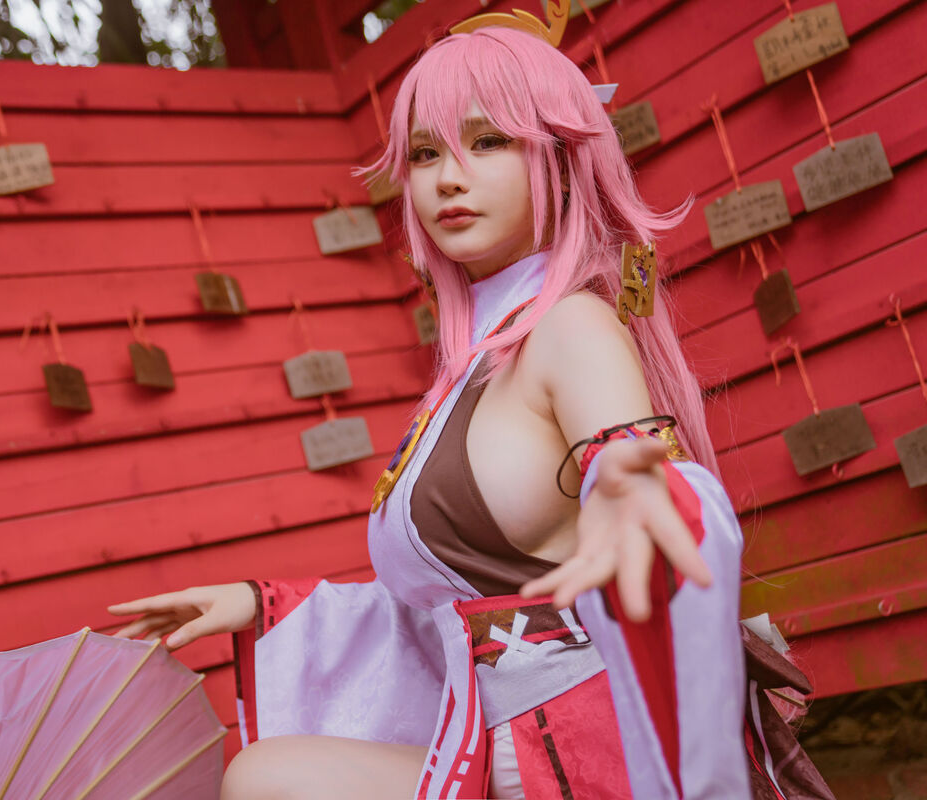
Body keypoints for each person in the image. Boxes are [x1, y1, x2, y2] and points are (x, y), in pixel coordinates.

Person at [108, 5, 831, 798]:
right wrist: (261, 603)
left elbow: (639, 464)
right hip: (499, 739)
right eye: (425, 153)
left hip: (593, 754)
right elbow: (445, 618)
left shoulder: (570, 326)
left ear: (561, 160)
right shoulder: (472, 367)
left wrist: (636, 487)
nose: (447, 178)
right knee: (266, 775)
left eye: (488, 142)